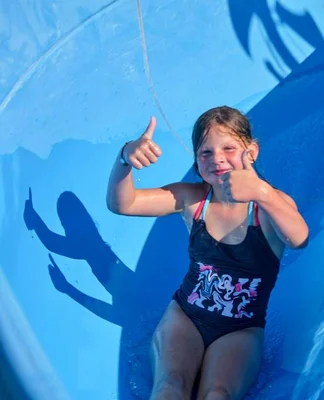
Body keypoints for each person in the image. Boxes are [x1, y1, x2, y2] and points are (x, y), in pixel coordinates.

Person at [105, 106, 309, 400]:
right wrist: (125, 158)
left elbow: (299, 239)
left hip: (240, 330)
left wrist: (261, 192)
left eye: (229, 148)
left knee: (217, 393)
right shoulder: (193, 199)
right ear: (196, 159)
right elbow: (123, 205)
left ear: (251, 151)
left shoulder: (268, 205)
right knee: (170, 386)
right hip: (185, 316)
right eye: (206, 153)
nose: (218, 159)